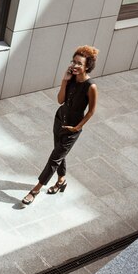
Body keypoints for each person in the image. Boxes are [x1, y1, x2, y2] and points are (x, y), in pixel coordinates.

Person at [22, 45, 99, 205]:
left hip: (72, 129)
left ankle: (35, 190)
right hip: (59, 119)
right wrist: (64, 81)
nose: (74, 65)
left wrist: (77, 128)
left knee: (54, 158)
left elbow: (91, 111)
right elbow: (60, 100)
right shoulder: (70, 79)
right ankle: (61, 181)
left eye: (79, 63)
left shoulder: (91, 87)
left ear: (87, 66)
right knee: (59, 154)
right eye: (73, 61)